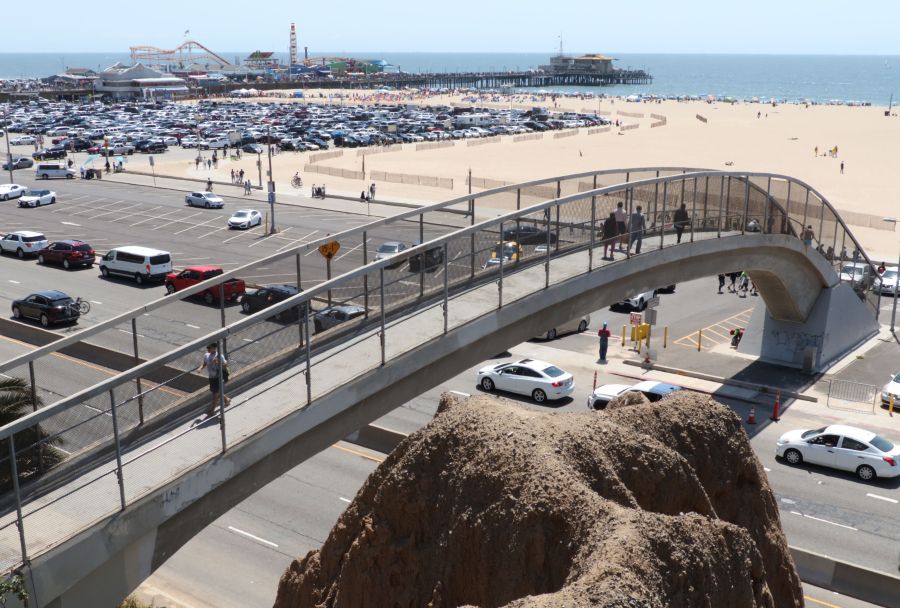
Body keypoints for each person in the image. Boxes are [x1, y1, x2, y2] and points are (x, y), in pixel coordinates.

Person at [199, 343, 229, 417]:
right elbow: (205, 363)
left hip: (218, 377)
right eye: (208, 348)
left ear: (214, 348)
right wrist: (200, 368)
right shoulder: (206, 355)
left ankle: (212, 410)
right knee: (217, 392)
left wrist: (218, 362)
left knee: (215, 395)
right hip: (211, 377)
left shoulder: (219, 356)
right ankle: (227, 399)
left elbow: (226, 365)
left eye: (210, 348)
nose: (208, 349)